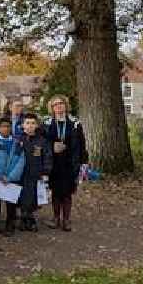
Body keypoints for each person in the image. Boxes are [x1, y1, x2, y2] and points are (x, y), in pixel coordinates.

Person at [43, 95, 84, 232]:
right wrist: (52, 146)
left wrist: (84, 163)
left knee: (67, 192)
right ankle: (55, 218)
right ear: (52, 108)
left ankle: (66, 220)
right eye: (55, 104)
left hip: (69, 162)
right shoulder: (47, 123)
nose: (59, 106)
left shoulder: (75, 123)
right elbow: (42, 142)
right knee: (55, 191)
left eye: (61, 103)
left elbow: (81, 144)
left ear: (66, 105)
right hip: (53, 163)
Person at [0, 117, 25, 237]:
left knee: (11, 204)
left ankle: (10, 225)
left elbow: (21, 160)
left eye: (8, 126)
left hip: (12, 178)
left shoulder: (17, 143)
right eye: (3, 126)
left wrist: (11, 176)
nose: (6, 128)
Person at [19, 113, 53, 232]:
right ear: (23, 125)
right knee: (22, 197)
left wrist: (45, 172)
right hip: (21, 174)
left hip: (36, 174)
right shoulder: (18, 139)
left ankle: (30, 218)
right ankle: (23, 218)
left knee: (34, 198)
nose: (30, 126)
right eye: (27, 123)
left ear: (37, 125)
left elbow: (47, 157)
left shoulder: (42, 141)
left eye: (32, 123)